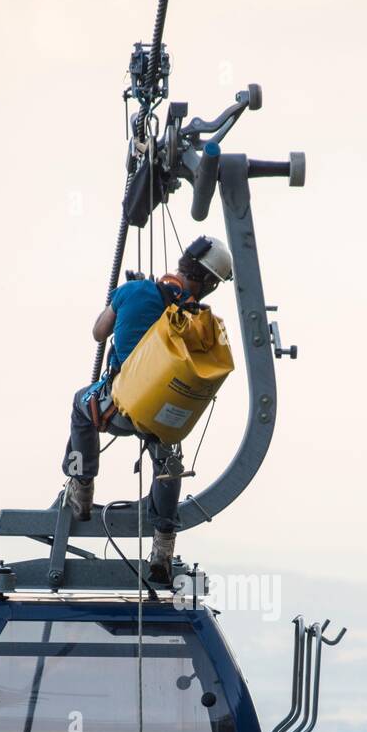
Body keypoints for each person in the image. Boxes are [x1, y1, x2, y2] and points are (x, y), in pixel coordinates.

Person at [61, 236, 233, 585]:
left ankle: (82, 483)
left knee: (81, 408)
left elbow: (98, 332)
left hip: (120, 406)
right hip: (164, 416)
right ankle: (163, 544)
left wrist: (123, 298)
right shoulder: (197, 318)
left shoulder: (134, 291)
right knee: (168, 464)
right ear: (208, 283)